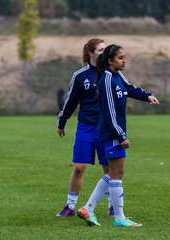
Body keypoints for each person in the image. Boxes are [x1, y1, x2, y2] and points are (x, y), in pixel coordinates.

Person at [77, 44, 159, 227]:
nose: (124, 60)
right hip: (112, 132)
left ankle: (88, 208)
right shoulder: (106, 79)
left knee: (114, 173)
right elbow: (109, 112)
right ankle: (120, 218)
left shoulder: (116, 76)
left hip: (114, 131)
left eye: (125, 57)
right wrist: (121, 135)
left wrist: (147, 96)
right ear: (110, 60)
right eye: (121, 57)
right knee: (117, 174)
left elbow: (130, 89)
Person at [56, 38, 115, 218]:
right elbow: (71, 101)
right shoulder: (80, 76)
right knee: (79, 167)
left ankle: (113, 206)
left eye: (105, 50)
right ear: (90, 53)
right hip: (86, 127)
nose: (104, 53)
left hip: (105, 129)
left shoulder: (111, 74)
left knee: (109, 169)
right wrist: (62, 121)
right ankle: (70, 206)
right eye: (100, 50)